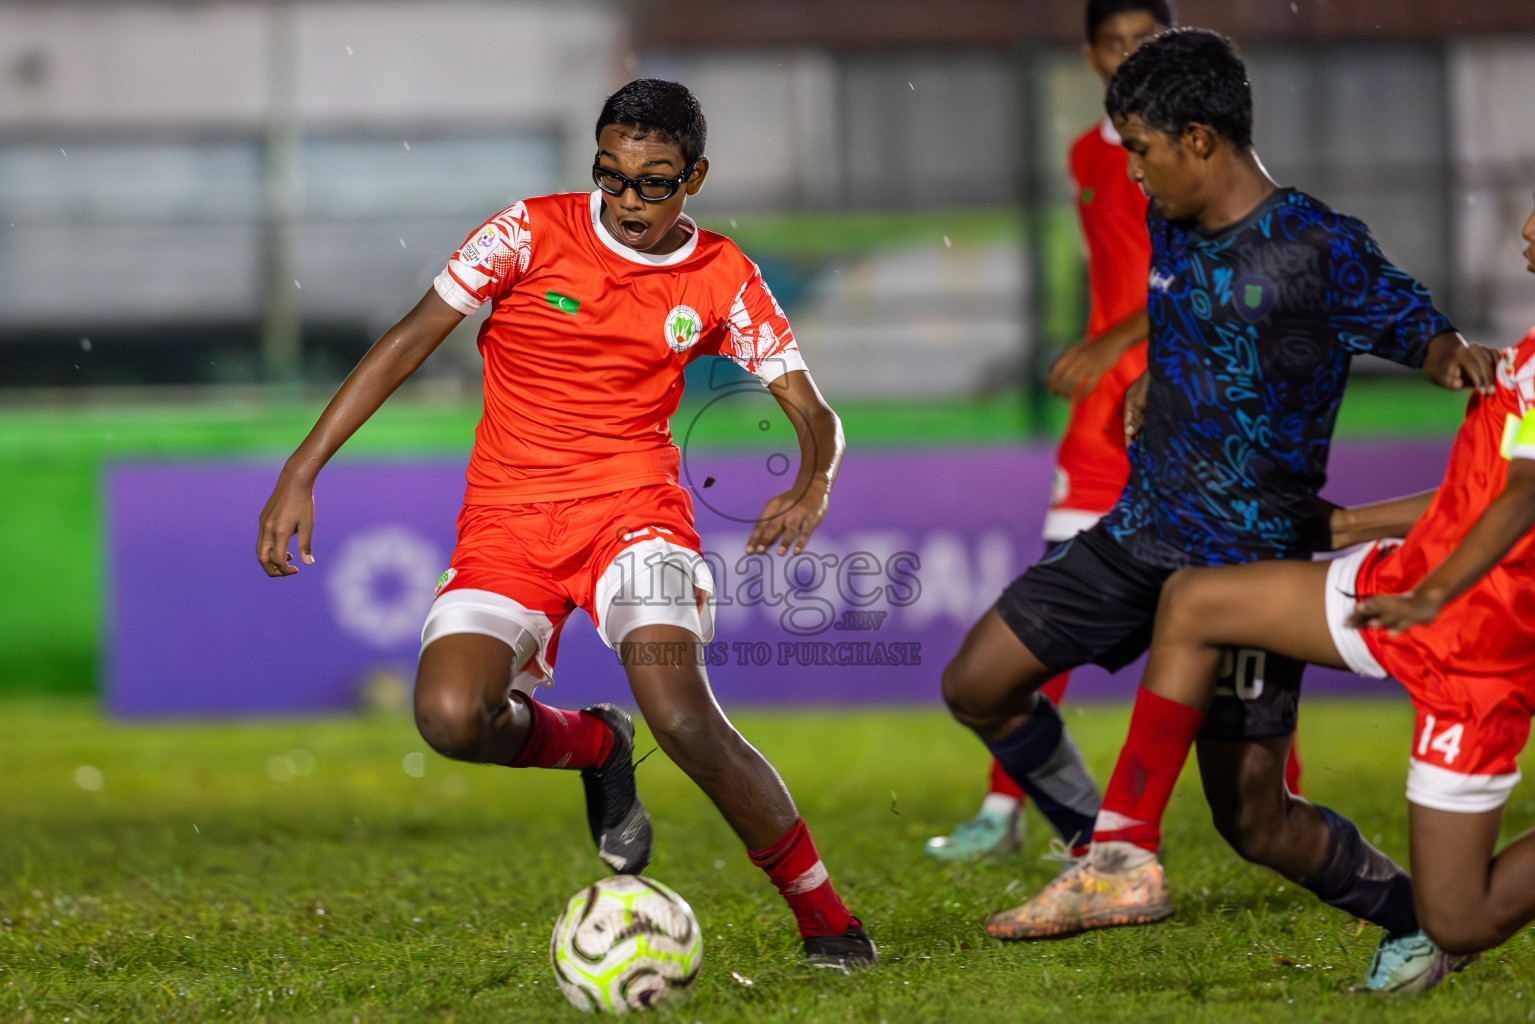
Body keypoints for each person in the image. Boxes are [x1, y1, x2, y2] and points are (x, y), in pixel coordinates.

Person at [255, 79, 876, 969]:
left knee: (683, 713)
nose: (628, 201)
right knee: (450, 717)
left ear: (693, 176)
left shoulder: (722, 277)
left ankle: (826, 918)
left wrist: (814, 484)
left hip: (636, 516)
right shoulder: (526, 232)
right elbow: (409, 337)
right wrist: (301, 467)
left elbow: (815, 412)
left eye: (654, 182)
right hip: (507, 522)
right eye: (611, 175)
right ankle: (595, 744)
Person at [939, 28, 1496, 987]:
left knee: (1256, 821)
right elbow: (1185, 311)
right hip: (1140, 528)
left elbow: (1425, 333)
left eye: (1141, 151)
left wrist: (1456, 361)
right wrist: (1158, 376)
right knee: (976, 682)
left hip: (1244, 566)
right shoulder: (1171, 220)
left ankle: (1417, 917)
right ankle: (1100, 845)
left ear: (1198, 139)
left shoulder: (1318, 247)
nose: (1133, 174)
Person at [1009, 196, 1535, 993]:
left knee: (1456, 918)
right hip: (1404, 586)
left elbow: (1522, 497)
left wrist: (1436, 596)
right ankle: (1122, 854)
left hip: (1478, 645)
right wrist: (1354, 523)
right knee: (1194, 602)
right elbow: (1477, 492)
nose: (1525, 229)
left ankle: (1414, 922)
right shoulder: (1526, 355)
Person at [926, 0, 1166, 864]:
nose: (1131, 54)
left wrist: (1117, 338)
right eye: (1117, 42)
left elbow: (1213, 273)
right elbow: (1117, 272)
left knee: (1221, 625)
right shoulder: (1087, 156)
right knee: (1053, 599)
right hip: (1105, 413)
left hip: (1190, 408)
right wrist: (1103, 344)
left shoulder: (1203, 150)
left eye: (1149, 40)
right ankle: (1011, 803)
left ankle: (1265, 805)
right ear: (1091, 56)